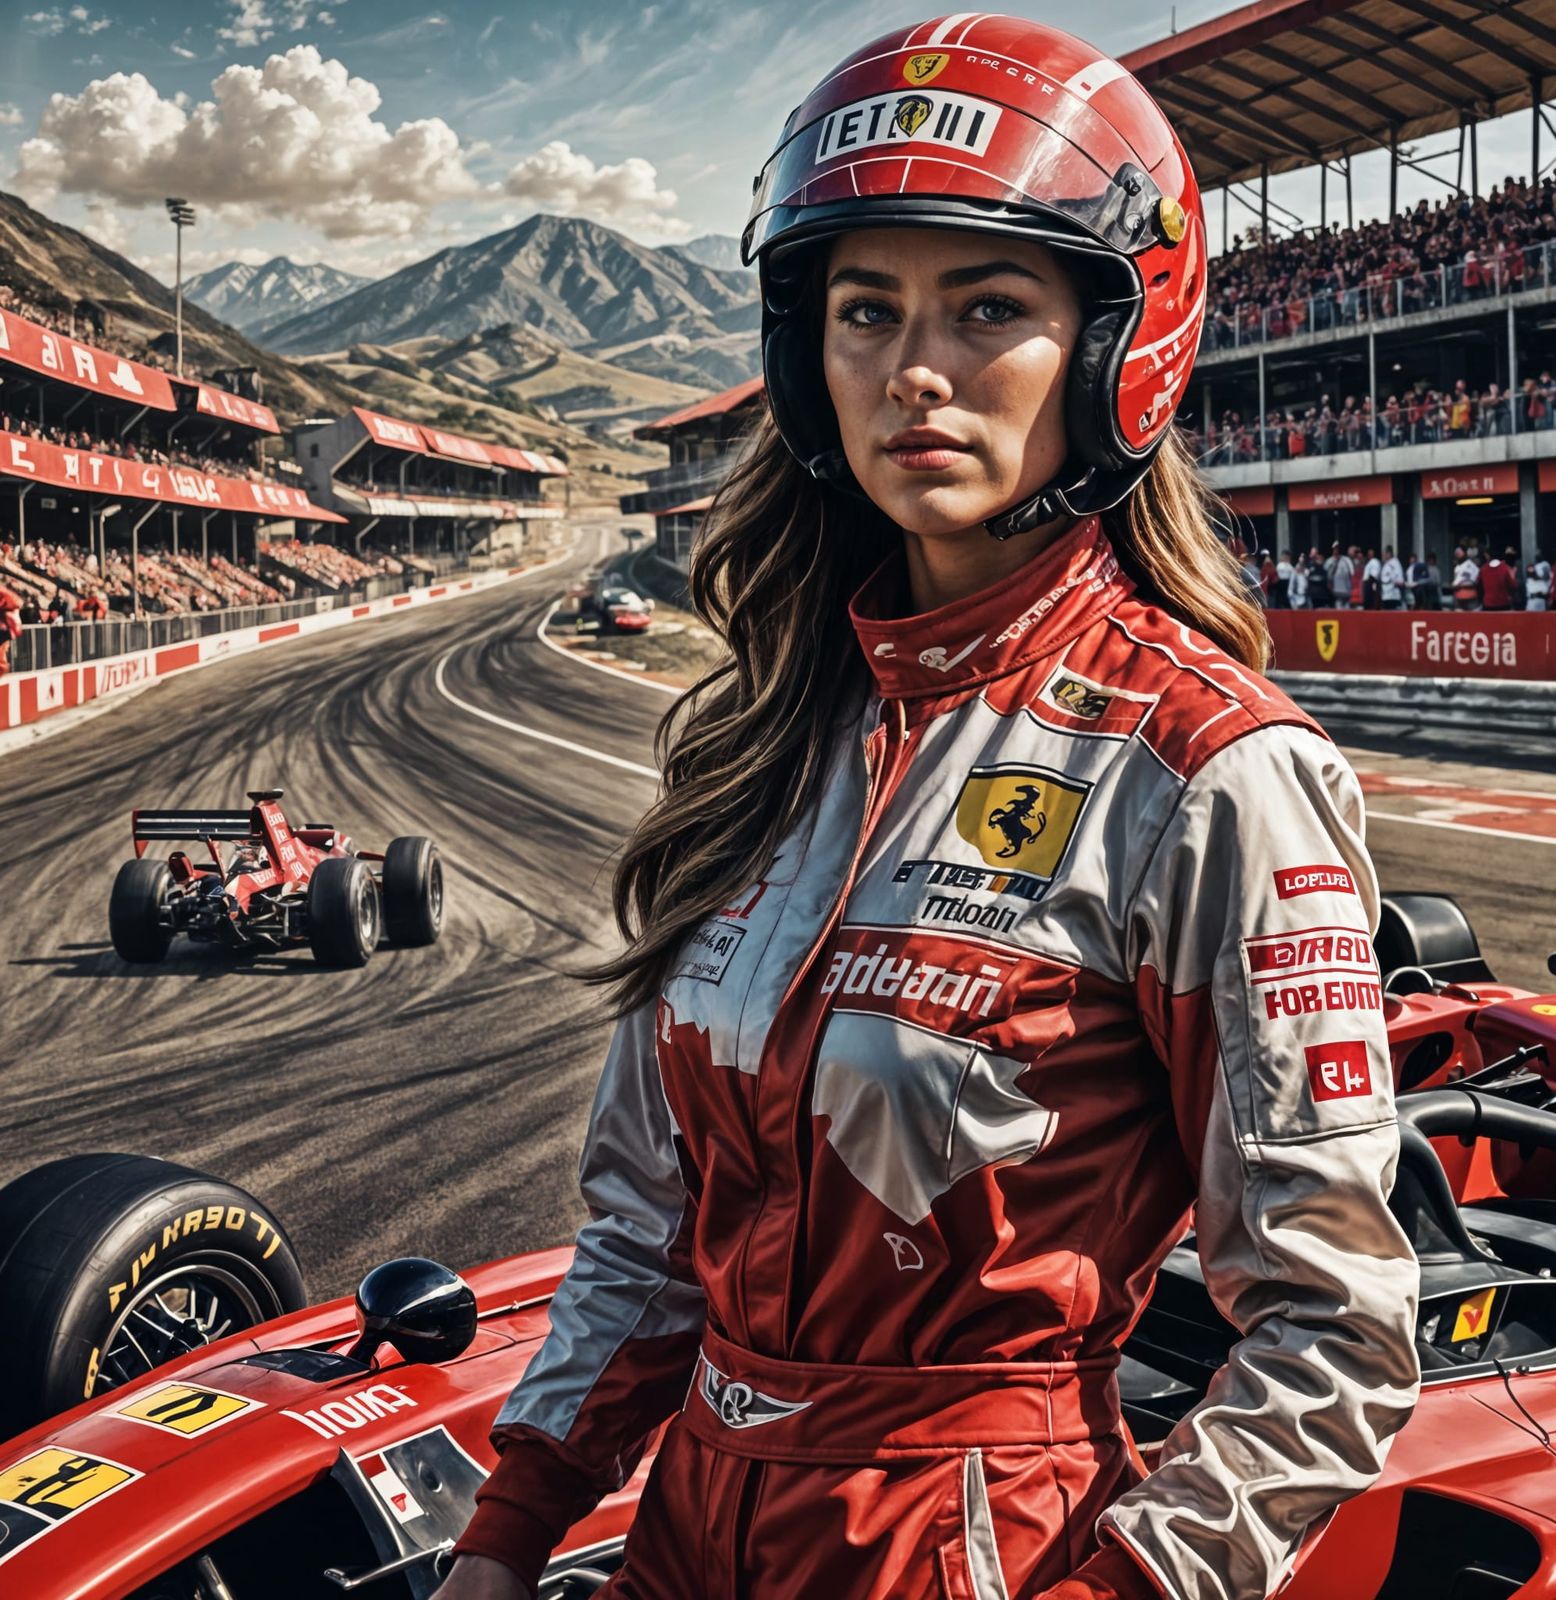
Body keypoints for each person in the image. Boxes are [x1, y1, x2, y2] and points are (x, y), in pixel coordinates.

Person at [445, 18, 1421, 1600]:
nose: (912, 368)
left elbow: (1338, 1327)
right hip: (687, 1533)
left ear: (1115, 344)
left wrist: (1130, 1588)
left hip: (981, 1546)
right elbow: (642, 1229)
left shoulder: (1213, 767)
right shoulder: (762, 740)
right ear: (802, 354)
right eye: (864, 310)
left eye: (987, 306)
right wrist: (512, 1525)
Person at [1451, 545, 1481, 609]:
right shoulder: (1457, 567)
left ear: (1465, 553)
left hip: (1470, 596)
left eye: (1459, 553)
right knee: (1458, 617)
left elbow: (1475, 581)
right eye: (1456, 553)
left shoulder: (1472, 566)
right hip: (1458, 597)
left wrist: (1461, 585)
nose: (1457, 555)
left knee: (1473, 618)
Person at [1328, 541, 1354, 609]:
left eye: (1338, 548)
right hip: (1336, 592)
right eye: (1334, 548)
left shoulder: (1346, 560)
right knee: (1338, 612)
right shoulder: (1329, 561)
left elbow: (1352, 574)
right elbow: (1327, 577)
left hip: (1346, 591)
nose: (1336, 550)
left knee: (1347, 613)